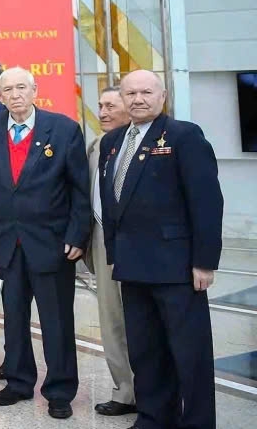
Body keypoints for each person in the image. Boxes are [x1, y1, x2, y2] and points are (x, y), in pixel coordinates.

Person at [101, 70, 223, 429]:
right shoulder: (113, 142)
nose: (138, 99)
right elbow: (111, 207)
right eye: (131, 93)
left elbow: (206, 202)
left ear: (163, 95)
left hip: (177, 267)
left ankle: (198, 422)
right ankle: (154, 417)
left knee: (189, 354)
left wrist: (204, 261)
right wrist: (112, 255)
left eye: (145, 92)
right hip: (131, 265)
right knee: (145, 351)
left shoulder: (184, 136)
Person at [0, 67, 89, 420]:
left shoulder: (63, 129)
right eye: (7, 90)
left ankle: (59, 390)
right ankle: (18, 381)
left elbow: (79, 188)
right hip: (6, 242)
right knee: (13, 318)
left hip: (52, 243)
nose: (15, 95)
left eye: (21, 88)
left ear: (34, 90)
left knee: (56, 320)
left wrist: (78, 234)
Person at [83, 86, 136, 417]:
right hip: (103, 240)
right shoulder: (96, 146)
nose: (102, 111)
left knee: (141, 321)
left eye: (110, 106)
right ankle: (125, 390)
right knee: (111, 319)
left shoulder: (147, 144)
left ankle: (153, 389)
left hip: (139, 245)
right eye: (100, 105)